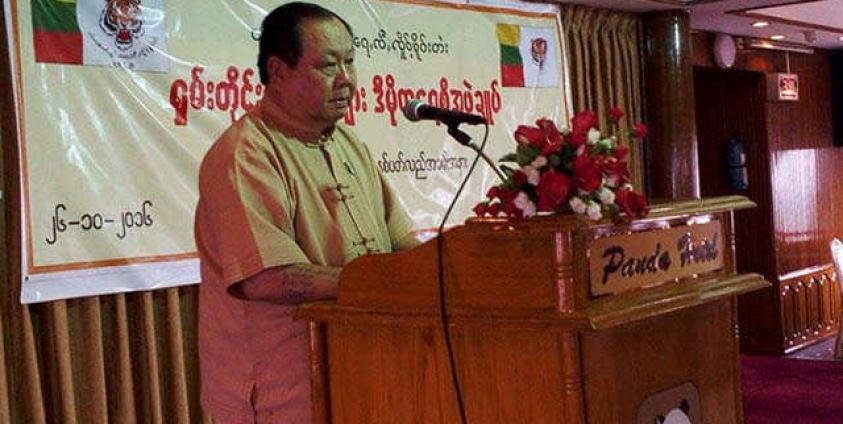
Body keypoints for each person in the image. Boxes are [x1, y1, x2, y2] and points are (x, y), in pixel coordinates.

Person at [193, 3, 417, 422]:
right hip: (281, 391)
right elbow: (265, 278)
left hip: (360, 374)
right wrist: (380, 284)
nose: (346, 79)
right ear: (278, 71)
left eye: (350, 61)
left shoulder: (349, 145)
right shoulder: (246, 154)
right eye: (328, 66)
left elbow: (402, 243)